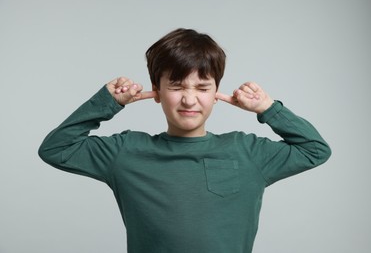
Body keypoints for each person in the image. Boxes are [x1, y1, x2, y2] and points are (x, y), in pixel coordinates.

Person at [38, 28, 331, 253]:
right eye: (176, 86)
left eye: (203, 87)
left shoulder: (246, 152)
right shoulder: (126, 152)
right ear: (156, 91)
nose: (189, 99)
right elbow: (56, 148)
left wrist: (268, 109)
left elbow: (315, 149)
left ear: (216, 92)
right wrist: (107, 102)